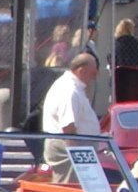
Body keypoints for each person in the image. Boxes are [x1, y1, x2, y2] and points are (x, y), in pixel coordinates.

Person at [41, 49, 101, 181]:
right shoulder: (69, 90)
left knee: (77, 189)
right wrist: (77, 157)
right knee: (68, 188)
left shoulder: (73, 88)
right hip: (69, 146)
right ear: (82, 71)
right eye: (93, 73)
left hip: (76, 145)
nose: (95, 77)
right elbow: (68, 127)